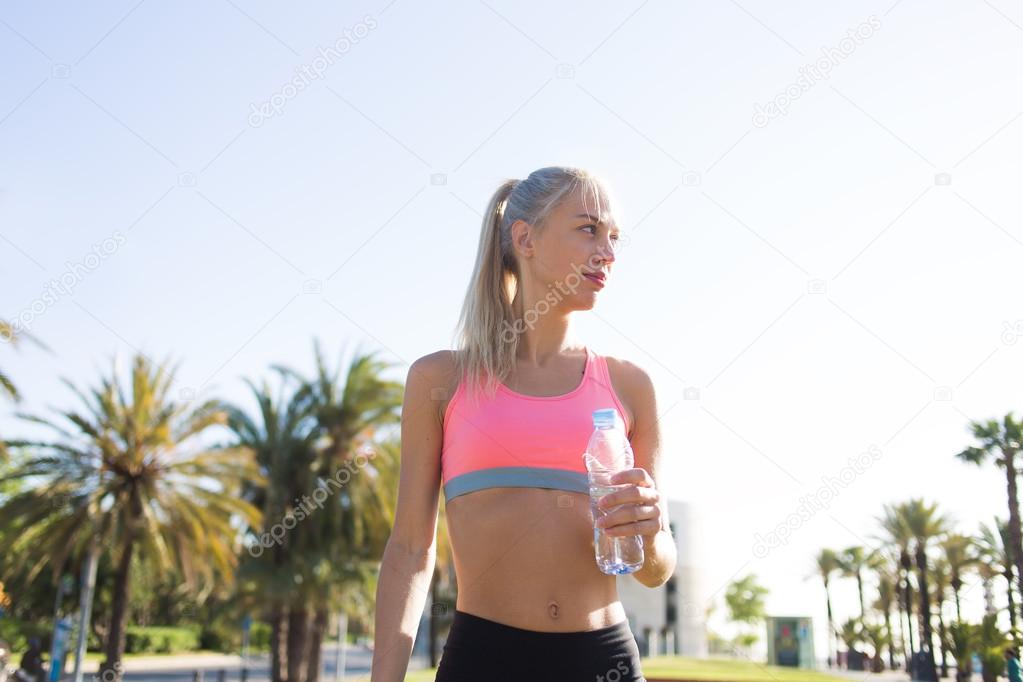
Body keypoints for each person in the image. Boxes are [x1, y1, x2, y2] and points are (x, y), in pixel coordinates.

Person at [369, 166, 676, 681]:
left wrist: (647, 534)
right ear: (525, 237)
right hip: (482, 660)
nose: (608, 253)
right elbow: (408, 550)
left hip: (604, 661)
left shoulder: (631, 385)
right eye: (588, 229)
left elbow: (656, 568)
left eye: (614, 238)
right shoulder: (440, 380)